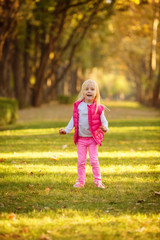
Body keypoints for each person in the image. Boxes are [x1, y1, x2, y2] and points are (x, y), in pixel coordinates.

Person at [59, 79, 109, 188]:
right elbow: (73, 119)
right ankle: (81, 181)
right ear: (83, 92)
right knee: (81, 161)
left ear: (96, 93)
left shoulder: (98, 108)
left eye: (92, 89)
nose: (89, 91)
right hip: (81, 139)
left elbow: (104, 121)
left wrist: (105, 128)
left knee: (94, 160)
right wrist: (66, 130)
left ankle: (98, 181)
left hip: (92, 139)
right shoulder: (78, 106)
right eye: (86, 89)